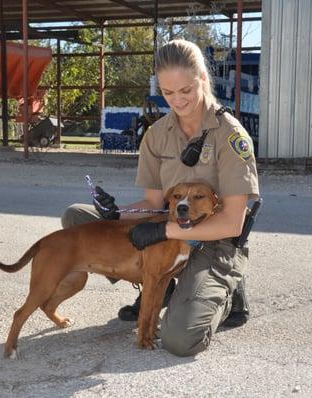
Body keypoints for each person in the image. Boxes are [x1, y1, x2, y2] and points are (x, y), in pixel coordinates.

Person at [61, 39, 259, 357]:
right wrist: (115, 213)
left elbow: (233, 222)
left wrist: (167, 231)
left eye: (185, 91)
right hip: (166, 238)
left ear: (203, 80)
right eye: (168, 93)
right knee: (77, 219)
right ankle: (157, 283)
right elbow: (153, 206)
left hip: (214, 240)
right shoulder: (157, 135)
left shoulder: (230, 135)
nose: (177, 101)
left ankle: (227, 291)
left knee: (181, 340)